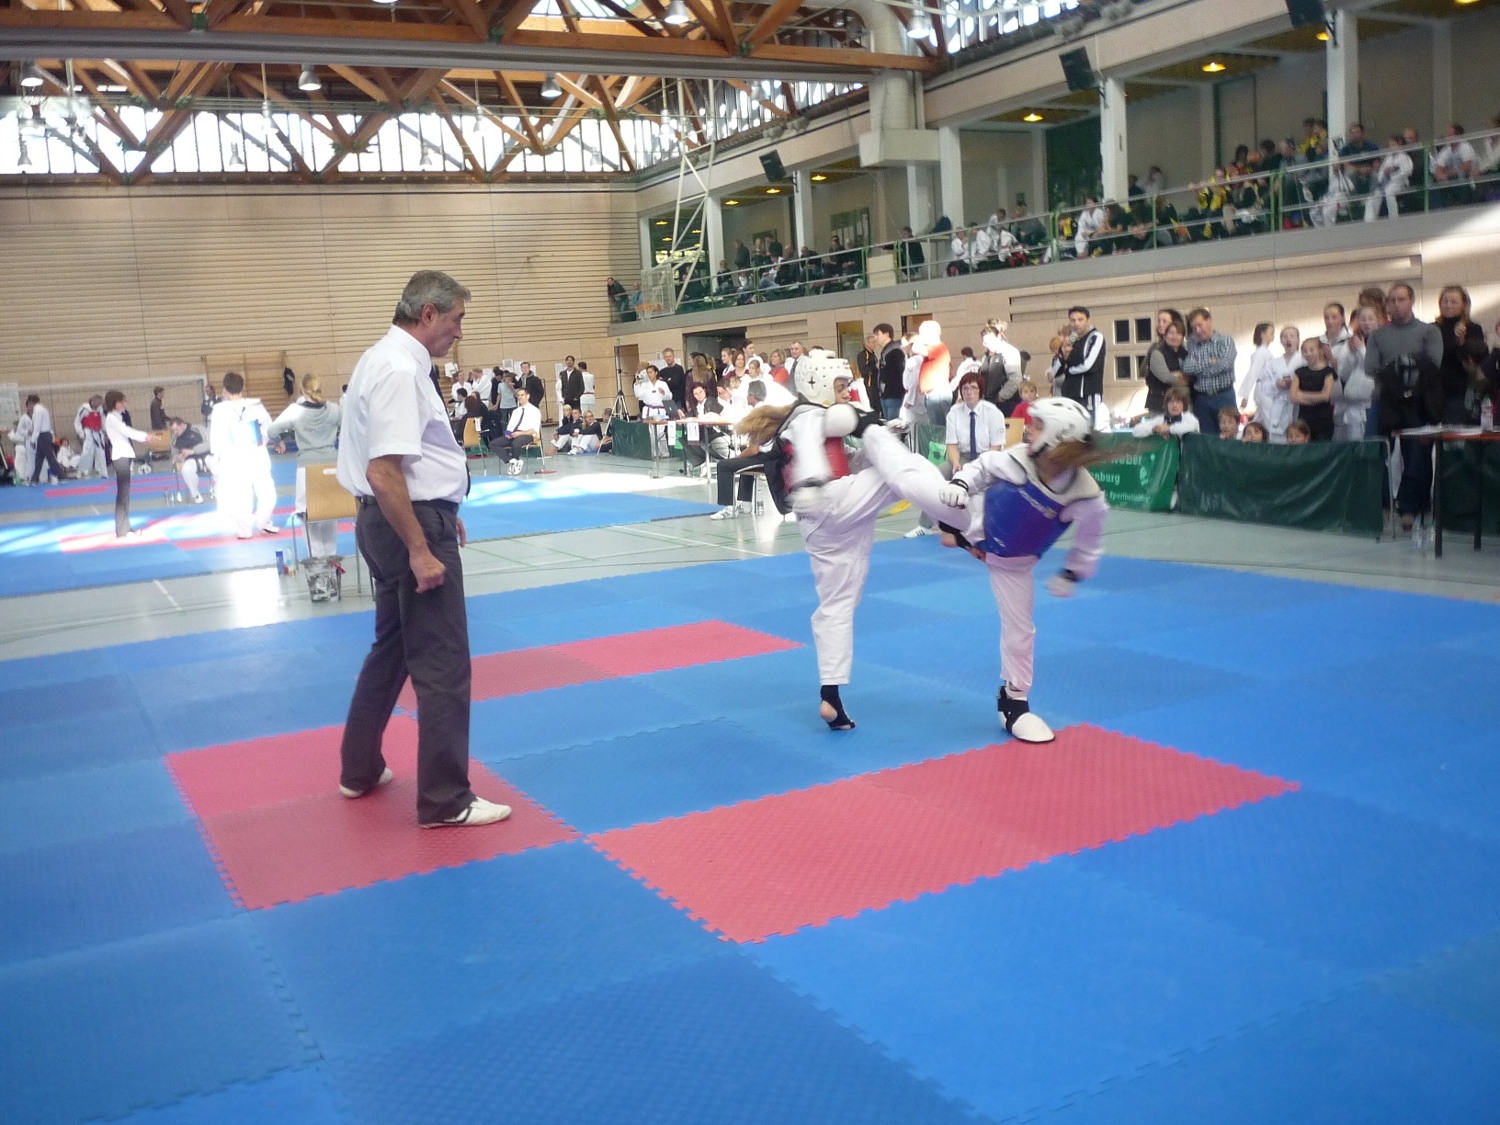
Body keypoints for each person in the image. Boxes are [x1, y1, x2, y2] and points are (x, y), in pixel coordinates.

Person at [336, 270, 508, 829]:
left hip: (398, 519)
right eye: (456, 319)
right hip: (404, 526)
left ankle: (359, 768)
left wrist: (441, 510)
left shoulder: (383, 358)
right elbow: (383, 470)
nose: (460, 331)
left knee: (391, 650)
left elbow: (412, 463)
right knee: (442, 663)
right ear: (428, 313)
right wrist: (420, 543)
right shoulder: (398, 367)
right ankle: (444, 798)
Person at [858, 400, 1112, 742]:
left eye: (1037, 425)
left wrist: (1073, 573)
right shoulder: (1019, 458)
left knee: (1021, 631)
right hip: (969, 514)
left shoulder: (1086, 496)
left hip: (1013, 561)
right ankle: (870, 431)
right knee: (909, 481)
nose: (1028, 428)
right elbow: (982, 467)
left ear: (1057, 435)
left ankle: (1014, 703)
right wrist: (961, 484)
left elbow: (1090, 540)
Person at [738, 383, 887, 729]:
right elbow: (815, 447)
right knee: (899, 473)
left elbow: (848, 461)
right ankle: (956, 517)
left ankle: (830, 696)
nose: (845, 397)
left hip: (818, 527)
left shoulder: (797, 432)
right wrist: (875, 431)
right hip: (831, 500)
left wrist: (877, 434)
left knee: (837, 607)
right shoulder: (809, 417)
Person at [1366, 283, 1444, 532]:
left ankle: (1410, 507)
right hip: (1386, 400)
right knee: (1376, 453)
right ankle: (1380, 504)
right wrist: (1400, 370)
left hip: (1418, 402)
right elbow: (1371, 367)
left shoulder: (1429, 331)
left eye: (1401, 299)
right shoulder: (1378, 335)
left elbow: (1432, 364)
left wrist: (1402, 370)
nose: (1397, 304)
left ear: (1411, 301)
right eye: (1392, 300)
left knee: (1416, 456)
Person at [269, 373, 344, 555]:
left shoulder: (296, 411)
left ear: (302, 390)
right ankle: (331, 558)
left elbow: (272, 430)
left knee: (307, 515)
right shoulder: (334, 409)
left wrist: (279, 441)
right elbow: (349, 428)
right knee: (330, 514)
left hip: (307, 468)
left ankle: (317, 560)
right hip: (331, 467)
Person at [210, 372, 279, 539]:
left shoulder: (219, 411)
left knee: (239, 495)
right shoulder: (256, 406)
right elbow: (269, 428)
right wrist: (263, 441)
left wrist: (216, 461)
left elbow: (216, 439)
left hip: (233, 457)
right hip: (256, 453)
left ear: (225, 390)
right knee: (267, 491)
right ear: (242, 387)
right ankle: (264, 522)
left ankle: (245, 529)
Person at [1181, 307, 1238, 435]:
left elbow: (1225, 365)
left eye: (1200, 325)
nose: (1197, 330)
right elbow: (1187, 368)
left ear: (1209, 321)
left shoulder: (1226, 340)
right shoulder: (1193, 344)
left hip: (1224, 396)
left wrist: (1199, 368)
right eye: (1194, 328)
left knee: (1228, 435)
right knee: (1206, 437)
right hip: (1202, 399)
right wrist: (1209, 362)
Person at [1436, 285, 1486, 423]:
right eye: (1445, 301)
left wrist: (1462, 343)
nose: (1448, 305)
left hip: (1463, 386)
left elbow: (1476, 357)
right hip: (1439, 387)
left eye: (1453, 302)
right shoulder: (1434, 329)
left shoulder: (1473, 328)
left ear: (1463, 305)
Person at [1049, 306, 1106, 423]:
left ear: (1088, 320)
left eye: (1080, 320)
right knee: (1070, 428)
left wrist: (1068, 371)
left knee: (1089, 428)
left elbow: (1089, 365)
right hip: (1069, 394)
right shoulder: (1070, 340)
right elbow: (1054, 373)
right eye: (1073, 320)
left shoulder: (1095, 337)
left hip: (1088, 393)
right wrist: (1063, 354)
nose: (1076, 324)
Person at [103, 390, 148, 537]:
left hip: (124, 455)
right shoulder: (111, 418)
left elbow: (126, 431)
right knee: (123, 494)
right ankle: (123, 529)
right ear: (114, 403)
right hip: (121, 456)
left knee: (125, 494)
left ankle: (124, 528)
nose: (124, 404)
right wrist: (145, 436)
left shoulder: (116, 417)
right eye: (121, 401)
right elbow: (126, 431)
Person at [1334, 304, 1380, 441]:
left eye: (1370, 319)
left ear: (1378, 320)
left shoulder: (1383, 341)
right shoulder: (1351, 342)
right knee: (1356, 446)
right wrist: (1351, 354)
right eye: (1363, 319)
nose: (1366, 323)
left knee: (1373, 443)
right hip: (1354, 404)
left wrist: (1361, 350)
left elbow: (1375, 368)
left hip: (1373, 403)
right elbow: (1343, 374)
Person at [1290, 339, 1337, 441]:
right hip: (1304, 420)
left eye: (1311, 350)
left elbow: (1326, 396)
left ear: (1320, 351)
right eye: (1305, 351)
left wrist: (1302, 394)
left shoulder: (1328, 372)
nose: (1308, 354)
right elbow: (1293, 397)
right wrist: (1317, 397)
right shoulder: (1299, 372)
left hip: (1323, 419)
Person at [1146, 312, 1190, 415]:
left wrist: (1182, 376)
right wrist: (1184, 380)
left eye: (1178, 333)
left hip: (1182, 403)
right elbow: (1166, 378)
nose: (1174, 336)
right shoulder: (1157, 353)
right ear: (1165, 335)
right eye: (1171, 333)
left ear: (1182, 337)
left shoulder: (1186, 353)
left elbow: (1193, 375)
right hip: (1160, 404)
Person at [978, 320, 1024, 414]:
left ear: (998, 337)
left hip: (1006, 403)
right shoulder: (985, 356)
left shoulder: (1009, 351)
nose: (988, 345)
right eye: (985, 343)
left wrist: (1001, 397)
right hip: (988, 401)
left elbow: (1015, 378)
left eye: (990, 341)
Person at [495, 386, 541, 474]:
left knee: (516, 443)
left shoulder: (535, 411)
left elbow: (534, 429)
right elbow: (510, 427)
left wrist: (519, 433)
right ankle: (512, 460)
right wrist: (508, 434)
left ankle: (515, 460)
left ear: (528, 396)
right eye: (518, 395)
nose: (520, 397)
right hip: (514, 434)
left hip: (527, 435)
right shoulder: (516, 411)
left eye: (522, 395)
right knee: (494, 444)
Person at [1367, 135, 1413, 222]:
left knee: (1389, 192)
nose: (1391, 147)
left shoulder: (1404, 157)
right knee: (1374, 196)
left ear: (1400, 145)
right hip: (1386, 182)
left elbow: (1407, 171)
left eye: (1393, 145)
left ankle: (1393, 217)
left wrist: (1393, 173)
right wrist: (1384, 174)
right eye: (1390, 145)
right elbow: (1381, 171)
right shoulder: (1388, 157)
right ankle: (1370, 219)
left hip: (1398, 182)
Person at [24, 395, 66, 485]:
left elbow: (37, 427)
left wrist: (32, 440)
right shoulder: (42, 409)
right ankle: (34, 479)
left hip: (43, 435)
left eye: (30, 403)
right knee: (39, 459)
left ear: (32, 402)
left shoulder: (38, 410)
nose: (29, 406)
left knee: (50, 458)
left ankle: (61, 476)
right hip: (43, 435)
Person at [168, 417, 210, 504]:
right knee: (186, 470)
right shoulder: (175, 439)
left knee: (221, 466)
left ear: (182, 424)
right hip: (191, 460)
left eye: (176, 429)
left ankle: (218, 490)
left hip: (206, 455)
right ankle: (196, 495)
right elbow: (174, 456)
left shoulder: (198, 429)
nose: (175, 432)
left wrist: (193, 451)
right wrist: (178, 457)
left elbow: (209, 444)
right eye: (173, 431)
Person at [1132, 386, 1200, 437]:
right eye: (1171, 402)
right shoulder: (1161, 418)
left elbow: (1191, 426)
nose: (1174, 405)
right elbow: (1136, 430)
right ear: (1166, 404)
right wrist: (1154, 429)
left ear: (1183, 405)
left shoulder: (1189, 418)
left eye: (1178, 402)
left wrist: (1169, 429)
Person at [874, 323, 905, 422]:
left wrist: (883, 367)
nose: (875, 338)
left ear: (886, 334)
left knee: (893, 424)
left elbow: (898, 371)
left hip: (893, 392)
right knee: (889, 423)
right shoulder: (887, 350)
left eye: (878, 334)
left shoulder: (895, 350)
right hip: (886, 393)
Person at [74, 395, 108, 479]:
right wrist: (80, 432)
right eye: (97, 402)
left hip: (98, 432)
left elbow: (103, 420)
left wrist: (105, 430)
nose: (99, 404)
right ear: (92, 401)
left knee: (101, 452)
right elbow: (77, 421)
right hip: (88, 432)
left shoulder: (100, 409)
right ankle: (81, 470)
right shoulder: (84, 408)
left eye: (100, 403)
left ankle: (103, 472)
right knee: (86, 452)